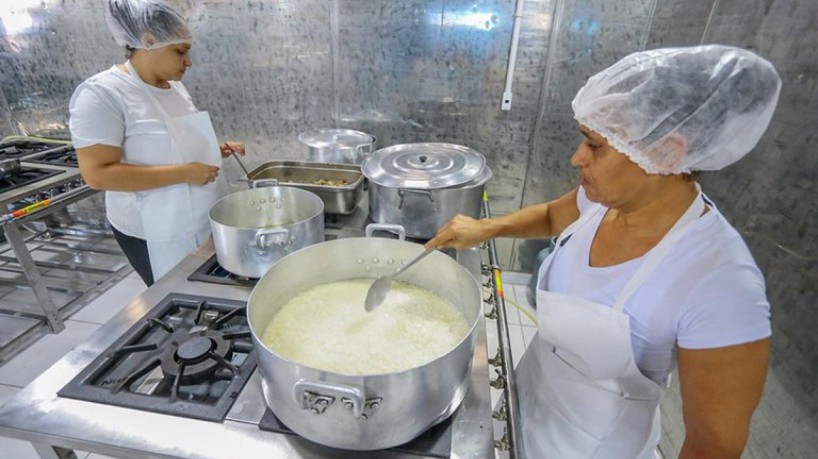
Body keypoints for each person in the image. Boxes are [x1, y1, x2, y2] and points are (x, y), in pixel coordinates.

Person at [426, 45, 781, 458]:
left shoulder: (722, 286)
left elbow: (713, 447)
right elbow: (551, 216)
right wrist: (485, 228)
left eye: (596, 145)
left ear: (668, 152)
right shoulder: (606, 199)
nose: (578, 158)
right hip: (524, 414)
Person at [68, 0, 245, 286]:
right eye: (180, 51)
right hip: (150, 229)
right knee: (176, 299)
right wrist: (185, 173)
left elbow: (172, 144)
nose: (189, 61)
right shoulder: (102, 94)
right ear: (148, 41)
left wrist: (215, 151)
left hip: (196, 218)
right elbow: (97, 174)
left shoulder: (174, 87)